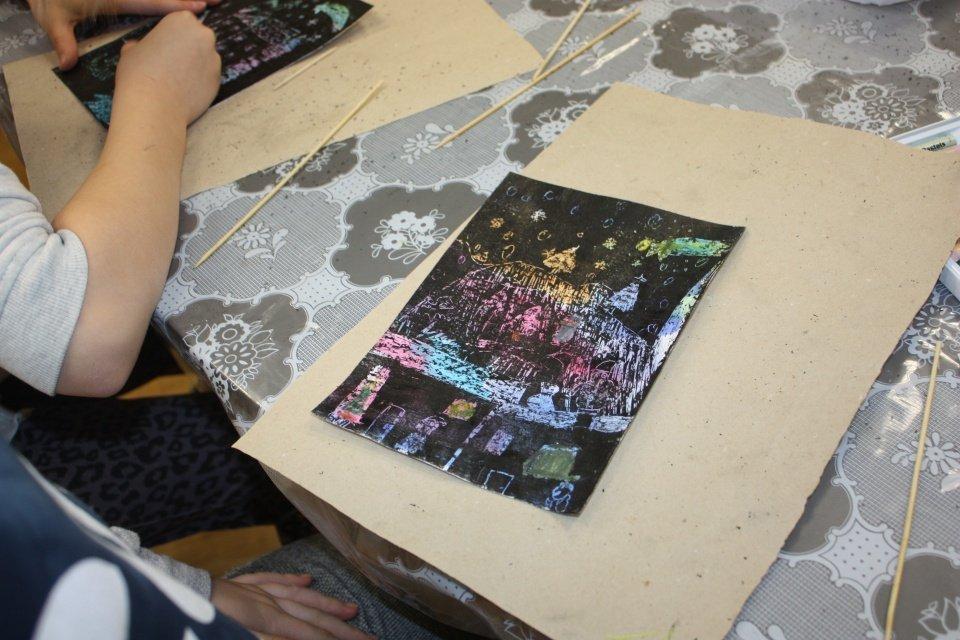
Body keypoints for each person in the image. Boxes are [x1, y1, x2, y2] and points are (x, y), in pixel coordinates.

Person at [0, 3, 454, 638]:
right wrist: (156, 96)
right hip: (52, 560)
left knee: (280, 443)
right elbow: (80, 333)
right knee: (412, 551)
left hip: (28, 482)